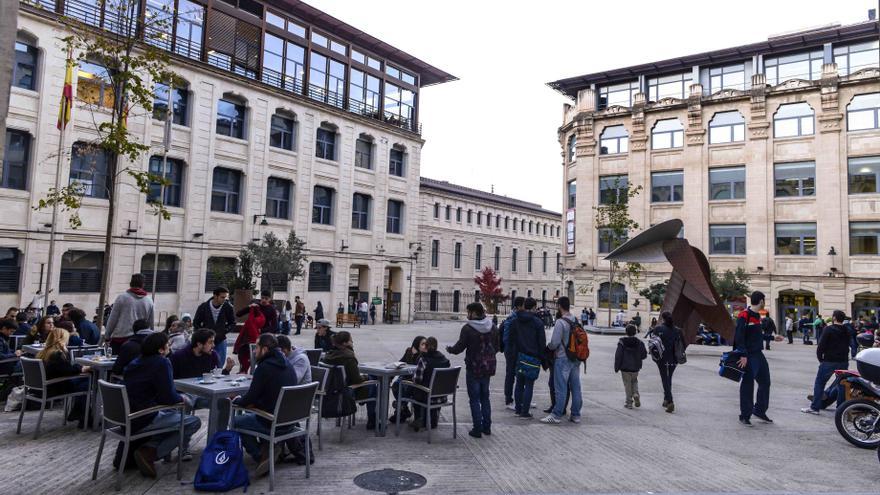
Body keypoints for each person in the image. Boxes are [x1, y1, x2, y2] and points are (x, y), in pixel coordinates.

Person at [124, 333, 201, 477]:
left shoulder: (134, 362)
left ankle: (151, 447)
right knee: (192, 421)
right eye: (167, 344)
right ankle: (151, 452)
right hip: (143, 417)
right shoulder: (162, 362)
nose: (169, 347)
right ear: (160, 349)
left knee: (173, 415)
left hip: (125, 415)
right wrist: (182, 398)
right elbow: (169, 397)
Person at [231, 334, 298, 476]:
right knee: (250, 414)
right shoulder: (288, 363)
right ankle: (268, 449)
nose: (255, 351)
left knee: (236, 421)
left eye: (257, 347)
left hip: (271, 422)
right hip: (290, 422)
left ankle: (261, 456)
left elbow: (250, 397)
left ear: (265, 349)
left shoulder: (264, 367)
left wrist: (237, 400)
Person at [447, 303, 497, 437]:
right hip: (488, 367)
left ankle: (477, 429)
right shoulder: (491, 326)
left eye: (469, 312)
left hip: (474, 367)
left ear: (474, 313)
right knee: (485, 397)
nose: (467, 315)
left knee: (474, 398)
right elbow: (496, 345)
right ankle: (487, 427)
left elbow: (459, 347)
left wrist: (450, 349)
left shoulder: (468, 328)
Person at [541, 296, 583, 424]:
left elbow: (554, 342)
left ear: (559, 306)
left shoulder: (560, 322)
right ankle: (576, 415)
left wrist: (548, 348)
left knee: (560, 387)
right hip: (575, 359)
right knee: (576, 387)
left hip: (562, 358)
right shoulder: (575, 319)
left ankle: (556, 414)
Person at [36, 327, 91, 427]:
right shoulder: (57, 354)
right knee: (88, 384)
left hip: (46, 386)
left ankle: (79, 414)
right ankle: (84, 417)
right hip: (56, 387)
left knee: (84, 382)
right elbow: (67, 370)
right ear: (62, 340)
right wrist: (82, 368)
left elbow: (63, 370)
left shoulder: (44, 352)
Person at [323, 331, 376, 429]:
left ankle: (372, 417)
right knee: (375, 384)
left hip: (330, 392)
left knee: (371, 381)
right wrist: (367, 377)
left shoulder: (328, 355)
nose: (353, 342)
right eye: (351, 340)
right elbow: (357, 380)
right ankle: (373, 420)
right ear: (345, 343)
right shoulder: (349, 357)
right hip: (347, 393)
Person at [734, 291, 773, 427]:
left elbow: (757, 336)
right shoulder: (744, 315)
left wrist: (773, 337)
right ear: (761, 301)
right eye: (765, 301)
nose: (765, 303)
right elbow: (739, 337)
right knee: (747, 385)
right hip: (749, 355)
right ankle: (745, 415)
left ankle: (759, 410)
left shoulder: (757, 316)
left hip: (758, 354)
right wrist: (743, 355)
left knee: (765, 381)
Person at [802, 310, 851, 415]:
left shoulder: (828, 329)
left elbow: (821, 346)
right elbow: (848, 345)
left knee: (820, 382)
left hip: (829, 360)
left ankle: (815, 407)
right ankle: (841, 409)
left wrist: (821, 360)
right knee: (842, 384)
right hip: (843, 361)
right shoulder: (847, 330)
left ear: (834, 318)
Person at [512, 297, 546, 419]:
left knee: (519, 384)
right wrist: (544, 359)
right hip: (533, 357)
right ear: (533, 307)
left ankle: (517, 409)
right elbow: (542, 342)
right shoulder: (538, 322)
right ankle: (524, 412)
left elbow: (512, 340)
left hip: (520, 356)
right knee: (529, 384)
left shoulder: (516, 321)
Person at [407, 336, 450, 432]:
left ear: (426, 346)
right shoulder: (444, 359)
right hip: (442, 396)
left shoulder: (424, 359)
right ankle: (432, 420)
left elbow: (417, 380)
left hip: (427, 396)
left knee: (414, 389)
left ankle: (419, 419)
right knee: (428, 388)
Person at [105, 274, 155, 353]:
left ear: (130, 283)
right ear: (143, 284)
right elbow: (150, 323)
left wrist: (107, 336)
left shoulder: (122, 298)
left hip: (120, 339)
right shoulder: (149, 301)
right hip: (140, 340)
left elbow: (113, 319)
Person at [648, 311, 683, 413]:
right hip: (674, 359)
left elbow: (653, 343)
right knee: (669, 378)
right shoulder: (677, 330)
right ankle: (666, 399)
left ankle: (670, 401)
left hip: (662, 358)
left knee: (665, 379)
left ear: (662, 318)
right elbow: (681, 344)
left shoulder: (658, 329)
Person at [193, 287, 236, 364]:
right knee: (205, 362)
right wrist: (203, 334)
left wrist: (224, 331)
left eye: (226, 297)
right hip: (206, 340)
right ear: (215, 296)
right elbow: (196, 323)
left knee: (219, 363)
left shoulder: (227, 307)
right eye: (222, 297)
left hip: (220, 339)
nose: (224, 299)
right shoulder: (203, 307)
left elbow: (232, 322)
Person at [392, 336, 426, 421]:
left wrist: (415, 355)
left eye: (426, 344)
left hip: (414, 380)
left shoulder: (423, 355)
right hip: (404, 378)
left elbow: (416, 369)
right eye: (422, 344)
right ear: (416, 344)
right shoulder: (408, 351)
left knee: (404, 388)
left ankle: (400, 412)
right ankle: (404, 409)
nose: (425, 346)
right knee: (395, 385)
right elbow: (402, 361)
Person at [615, 324, 647, 409]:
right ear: (635, 332)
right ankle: (636, 394)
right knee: (634, 381)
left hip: (625, 367)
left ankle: (629, 402)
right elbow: (644, 355)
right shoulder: (639, 343)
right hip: (635, 367)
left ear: (626, 332)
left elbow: (618, 356)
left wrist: (616, 367)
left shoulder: (622, 342)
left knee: (627, 384)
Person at [501, 297, 525, 410]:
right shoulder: (513, 319)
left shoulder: (514, 317)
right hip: (512, 350)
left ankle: (522, 398)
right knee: (511, 374)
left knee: (518, 373)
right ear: (519, 306)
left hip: (512, 349)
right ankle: (509, 399)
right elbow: (507, 337)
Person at [235, 304, 265, 374]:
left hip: (260, 339)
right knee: (246, 355)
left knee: (252, 357)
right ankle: (244, 370)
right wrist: (249, 307)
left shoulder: (263, 311)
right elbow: (238, 314)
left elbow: (274, 325)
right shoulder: (257, 313)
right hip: (251, 340)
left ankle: (244, 370)